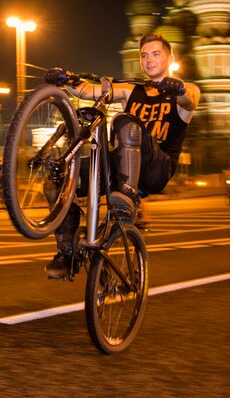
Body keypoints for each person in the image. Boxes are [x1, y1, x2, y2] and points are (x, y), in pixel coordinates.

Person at [45, 33, 200, 279]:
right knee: (58, 182)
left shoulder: (183, 90)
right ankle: (67, 251)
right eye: (144, 55)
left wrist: (177, 87)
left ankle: (127, 196)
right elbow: (89, 91)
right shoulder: (131, 90)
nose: (149, 60)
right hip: (121, 165)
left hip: (156, 169)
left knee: (123, 121)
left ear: (171, 57)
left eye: (156, 54)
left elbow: (189, 100)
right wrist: (67, 79)